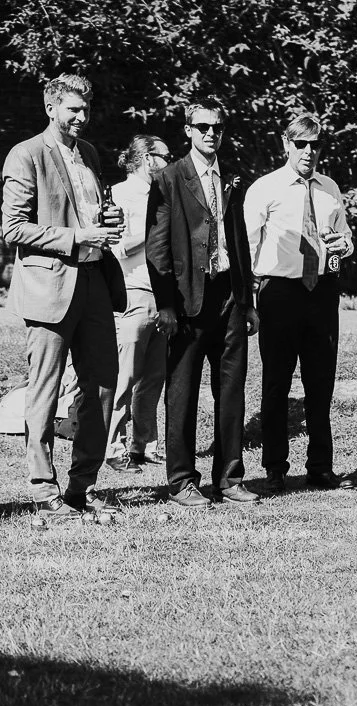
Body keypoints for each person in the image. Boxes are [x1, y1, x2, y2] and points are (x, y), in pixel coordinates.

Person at [1, 73, 127, 518]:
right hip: (49, 287)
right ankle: (43, 489)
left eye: (86, 109)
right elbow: (13, 227)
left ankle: (81, 487)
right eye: (73, 109)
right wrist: (77, 236)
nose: (81, 117)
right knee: (46, 390)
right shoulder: (26, 154)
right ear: (50, 108)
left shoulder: (89, 153)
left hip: (95, 282)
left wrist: (109, 219)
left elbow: (91, 211)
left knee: (102, 388)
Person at [146, 95, 260, 508]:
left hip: (229, 295)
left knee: (231, 391)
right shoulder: (170, 178)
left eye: (218, 128)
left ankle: (229, 477)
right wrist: (166, 306)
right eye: (204, 127)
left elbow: (241, 242)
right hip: (187, 300)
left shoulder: (230, 176)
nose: (212, 134)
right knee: (183, 392)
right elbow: (158, 248)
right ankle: (180, 480)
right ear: (189, 131)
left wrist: (246, 300)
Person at [244, 112, 355, 494]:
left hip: (321, 292)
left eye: (315, 144)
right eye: (301, 143)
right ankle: (275, 468)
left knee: (321, 383)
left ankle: (320, 468)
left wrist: (344, 246)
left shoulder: (329, 188)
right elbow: (246, 246)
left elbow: (341, 238)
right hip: (280, 292)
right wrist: (249, 297)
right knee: (276, 383)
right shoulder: (265, 188)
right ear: (286, 144)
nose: (308, 151)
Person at [100, 134, 171, 474]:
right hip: (133, 292)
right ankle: (113, 447)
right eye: (164, 157)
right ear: (147, 159)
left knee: (154, 376)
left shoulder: (162, 194)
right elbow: (118, 247)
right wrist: (156, 229)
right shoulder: (118, 194)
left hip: (164, 297)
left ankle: (144, 445)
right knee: (124, 377)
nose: (168, 163)